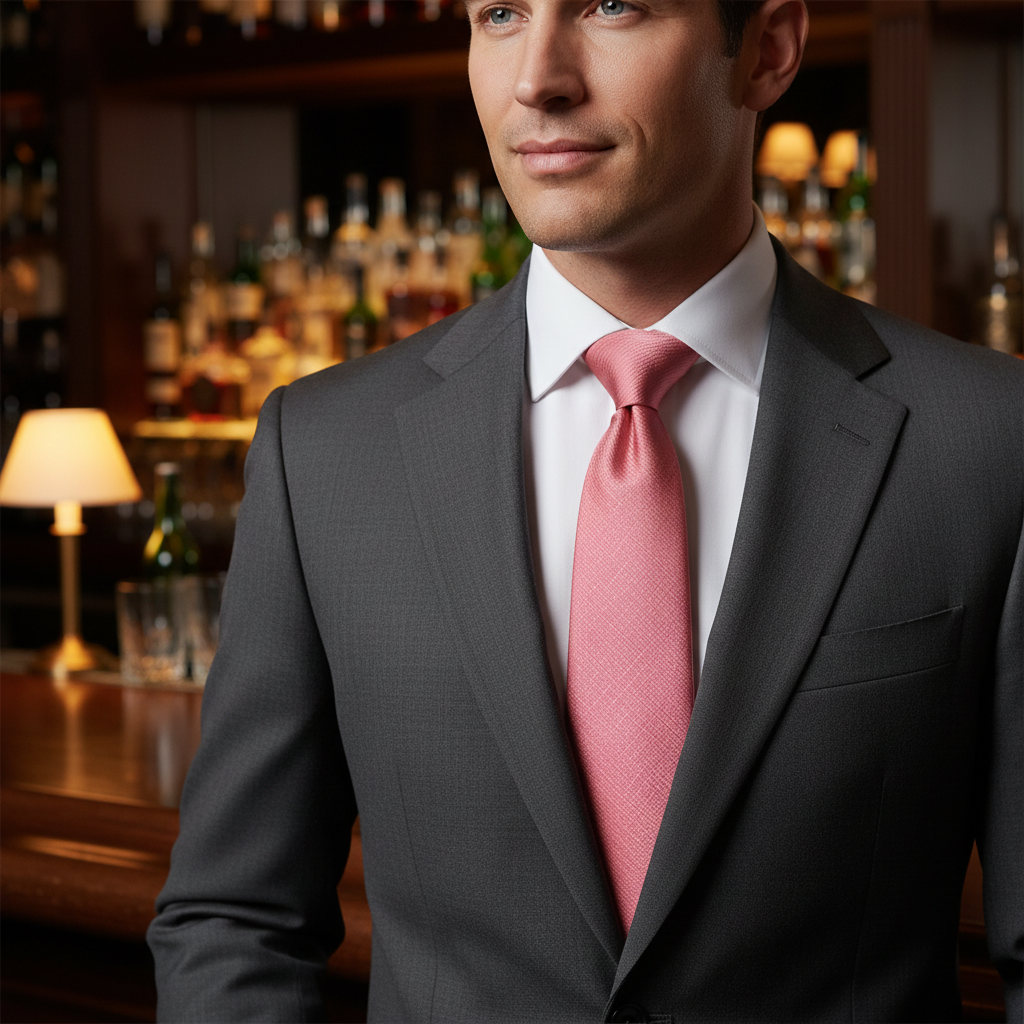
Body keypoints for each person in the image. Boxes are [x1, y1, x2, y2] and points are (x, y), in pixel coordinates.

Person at [148, 1, 1023, 1020]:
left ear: (768, 50)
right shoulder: (325, 452)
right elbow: (234, 918)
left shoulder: (987, 444)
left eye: (613, 5)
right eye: (501, 13)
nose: (537, 76)